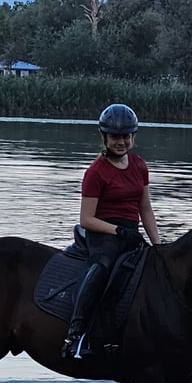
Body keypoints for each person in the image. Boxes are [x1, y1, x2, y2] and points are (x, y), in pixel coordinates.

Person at [62, 103, 160, 359]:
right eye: (115, 137)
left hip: (131, 233)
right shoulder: (96, 172)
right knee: (102, 268)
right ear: (104, 137)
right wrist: (117, 231)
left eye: (126, 136)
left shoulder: (139, 166)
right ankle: (76, 334)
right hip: (103, 232)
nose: (121, 142)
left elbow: (145, 209)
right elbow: (86, 219)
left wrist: (159, 245)